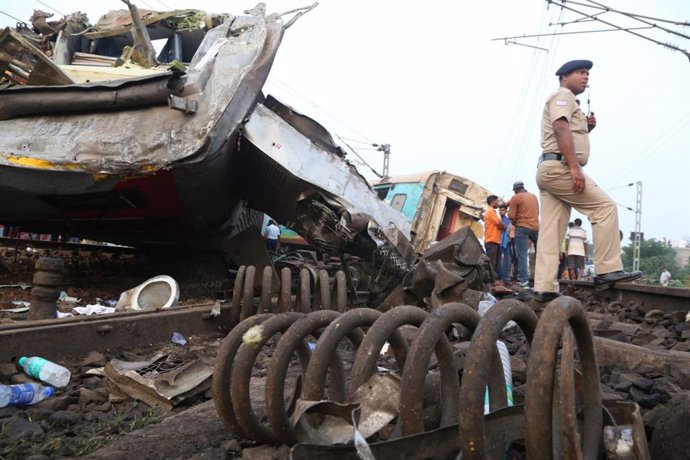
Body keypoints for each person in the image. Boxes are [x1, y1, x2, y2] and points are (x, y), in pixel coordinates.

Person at [533, 59, 642, 302]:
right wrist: (574, 167)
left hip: (549, 168)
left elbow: (565, 130)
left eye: (587, 73)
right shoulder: (563, 96)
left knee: (551, 231)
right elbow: (560, 128)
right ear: (564, 77)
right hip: (560, 167)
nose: (586, 77)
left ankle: (544, 288)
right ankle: (607, 269)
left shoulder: (569, 101)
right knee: (604, 208)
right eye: (580, 72)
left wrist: (586, 129)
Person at [508, 181, 539, 288]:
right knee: (540, 254)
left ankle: (524, 281)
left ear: (516, 189)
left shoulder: (516, 198)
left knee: (522, 254)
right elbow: (537, 212)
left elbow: (511, 216)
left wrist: (514, 222)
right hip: (535, 227)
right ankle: (542, 280)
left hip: (522, 227)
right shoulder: (533, 196)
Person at [482, 195, 505, 279]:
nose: (498, 203)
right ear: (492, 202)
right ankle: (488, 282)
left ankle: (492, 280)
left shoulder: (492, 212)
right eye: (497, 201)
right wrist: (503, 226)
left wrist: (502, 225)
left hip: (495, 241)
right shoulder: (490, 212)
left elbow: (500, 225)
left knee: (495, 263)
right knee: (491, 263)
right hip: (491, 241)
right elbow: (500, 225)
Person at [497, 204, 512, 282]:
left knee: (505, 260)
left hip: (505, 242)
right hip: (500, 241)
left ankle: (504, 277)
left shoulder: (506, 220)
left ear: (506, 211)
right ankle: (501, 277)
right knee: (500, 260)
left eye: (503, 210)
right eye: (500, 210)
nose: (501, 211)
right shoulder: (499, 219)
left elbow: (503, 228)